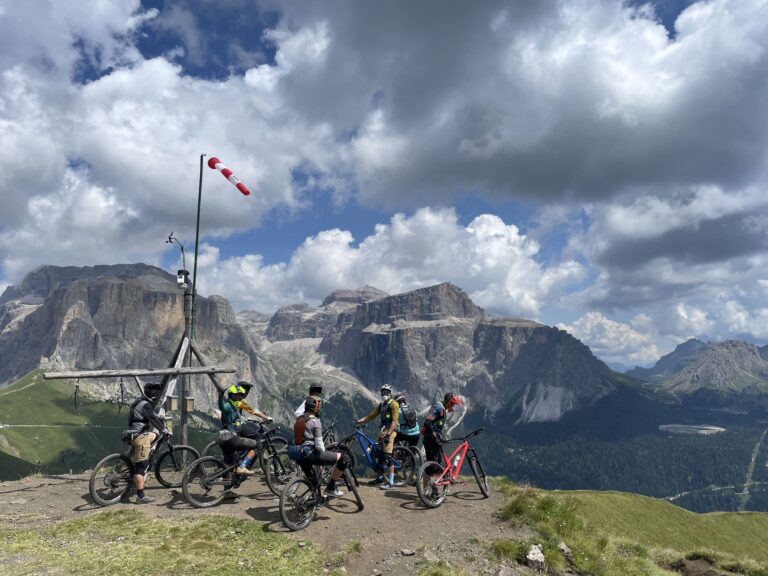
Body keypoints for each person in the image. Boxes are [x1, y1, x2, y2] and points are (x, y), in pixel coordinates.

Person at [291, 395, 348, 497]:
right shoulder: (315, 421)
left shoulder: (299, 419)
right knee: (344, 458)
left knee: (313, 481)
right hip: (309, 454)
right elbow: (319, 446)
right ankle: (330, 488)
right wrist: (325, 451)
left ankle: (315, 500)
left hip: (298, 454)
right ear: (315, 408)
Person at [124, 381, 169, 504]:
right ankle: (141, 496)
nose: (155, 394)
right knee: (141, 467)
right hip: (140, 436)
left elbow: (151, 415)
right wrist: (164, 429)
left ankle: (149, 455)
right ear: (149, 392)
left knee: (155, 435)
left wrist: (160, 427)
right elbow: (153, 419)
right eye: (153, 392)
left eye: (157, 392)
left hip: (132, 434)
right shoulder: (146, 405)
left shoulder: (139, 401)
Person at [219, 381, 273, 475]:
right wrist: (265, 417)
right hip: (234, 433)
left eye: (239, 395)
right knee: (257, 443)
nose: (246, 392)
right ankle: (243, 465)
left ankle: (228, 480)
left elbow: (248, 412)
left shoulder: (235, 403)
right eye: (246, 390)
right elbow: (252, 410)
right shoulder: (234, 404)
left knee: (229, 464)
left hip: (226, 432)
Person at [355, 384, 400, 490]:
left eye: (386, 392)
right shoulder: (382, 405)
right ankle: (380, 477)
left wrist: (389, 434)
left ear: (390, 393)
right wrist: (359, 421)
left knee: (387, 457)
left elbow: (394, 421)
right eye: (383, 392)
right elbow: (371, 416)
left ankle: (391, 483)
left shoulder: (394, 404)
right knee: (378, 454)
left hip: (391, 431)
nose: (384, 394)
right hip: (383, 431)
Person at [422, 392, 463, 466]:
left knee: (438, 460)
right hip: (430, 438)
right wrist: (434, 435)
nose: (453, 406)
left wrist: (440, 438)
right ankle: (426, 476)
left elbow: (437, 426)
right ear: (448, 401)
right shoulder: (438, 407)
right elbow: (427, 422)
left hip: (435, 439)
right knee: (433, 463)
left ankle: (428, 476)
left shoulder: (443, 409)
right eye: (452, 404)